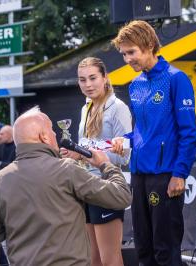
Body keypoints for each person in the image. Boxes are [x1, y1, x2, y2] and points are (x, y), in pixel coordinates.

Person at [0, 106, 132, 266]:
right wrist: (105, 164)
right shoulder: (67, 169)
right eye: (51, 130)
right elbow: (122, 196)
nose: (54, 134)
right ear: (43, 137)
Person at [111, 20, 196, 266]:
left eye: (132, 52)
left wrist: (180, 173)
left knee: (165, 250)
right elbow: (141, 132)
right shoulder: (136, 84)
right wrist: (123, 140)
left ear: (149, 46)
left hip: (165, 175)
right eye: (124, 54)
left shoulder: (176, 79)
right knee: (143, 249)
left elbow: (189, 132)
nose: (128, 59)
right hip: (138, 175)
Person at [61, 57, 132, 266]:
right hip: (85, 185)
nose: (88, 84)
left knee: (110, 259)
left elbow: (125, 155)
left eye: (93, 78)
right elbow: (89, 146)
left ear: (105, 77)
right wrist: (72, 152)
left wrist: (83, 154)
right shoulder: (86, 107)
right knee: (93, 260)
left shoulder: (118, 108)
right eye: (82, 80)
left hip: (107, 187)